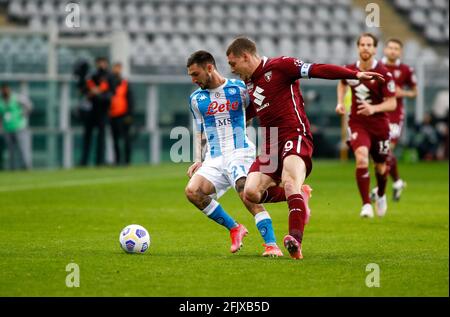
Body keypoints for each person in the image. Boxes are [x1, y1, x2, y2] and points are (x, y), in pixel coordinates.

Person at [225, 36, 385, 259]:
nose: (231, 69)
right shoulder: (249, 83)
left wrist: (354, 74)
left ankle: (295, 239)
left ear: (245, 56)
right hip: (270, 142)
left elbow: (318, 69)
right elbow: (252, 111)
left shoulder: (280, 66)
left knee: (290, 182)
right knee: (251, 193)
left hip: (294, 133)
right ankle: (302, 197)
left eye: (233, 64)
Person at [185, 50, 283, 257]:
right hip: (214, 157)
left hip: (239, 151)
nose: (193, 80)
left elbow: (256, 112)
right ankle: (235, 228)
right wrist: (197, 160)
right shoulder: (196, 99)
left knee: (245, 192)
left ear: (209, 68)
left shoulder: (239, 88)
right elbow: (199, 131)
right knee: (193, 191)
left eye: (196, 74)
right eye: (191, 76)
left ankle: (271, 244)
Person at [336, 33, 397, 218]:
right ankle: (366, 205)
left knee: (381, 166)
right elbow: (342, 82)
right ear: (358, 47)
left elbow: (392, 103)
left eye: (369, 45)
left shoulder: (384, 73)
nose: (365, 48)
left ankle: (380, 194)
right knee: (361, 158)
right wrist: (340, 102)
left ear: (375, 49)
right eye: (362, 44)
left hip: (379, 124)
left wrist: (373, 108)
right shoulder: (350, 70)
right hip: (357, 122)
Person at [369, 38, 417, 201]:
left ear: (400, 52)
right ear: (385, 49)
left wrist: (401, 92)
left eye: (396, 48)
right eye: (390, 47)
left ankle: (378, 188)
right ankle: (397, 182)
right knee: (378, 152)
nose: (392, 51)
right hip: (377, 112)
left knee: (386, 149)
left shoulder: (406, 70)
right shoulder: (377, 67)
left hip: (395, 114)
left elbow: (414, 92)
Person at [80, 57, 113, 167]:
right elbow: (84, 90)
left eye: (103, 62)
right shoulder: (92, 76)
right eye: (99, 63)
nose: (101, 65)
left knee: (101, 138)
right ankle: (84, 162)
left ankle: (100, 161)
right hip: (91, 111)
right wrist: (92, 92)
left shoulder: (109, 76)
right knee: (87, 137)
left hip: (103, 111)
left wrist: (97, 94)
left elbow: (110, 93)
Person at [0, 83, 33, 170]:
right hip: (7, 129)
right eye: (3, 89)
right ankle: (13, 169)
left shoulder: (17, 97)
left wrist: (24, 114)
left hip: (20, 127)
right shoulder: (1, 101)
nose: (5, 91)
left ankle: (26, 167)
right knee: (11, 151)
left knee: (23, 149)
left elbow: (29, 105)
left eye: (6, 89)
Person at [109, 62, 134, 166]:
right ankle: (117, 160)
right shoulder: (110, 82)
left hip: (123, 115)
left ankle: (127, 160)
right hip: (112, 115)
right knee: (115, 140)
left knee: (126, 139)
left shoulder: (125, 83)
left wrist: (129, 114)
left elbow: (130, 100)